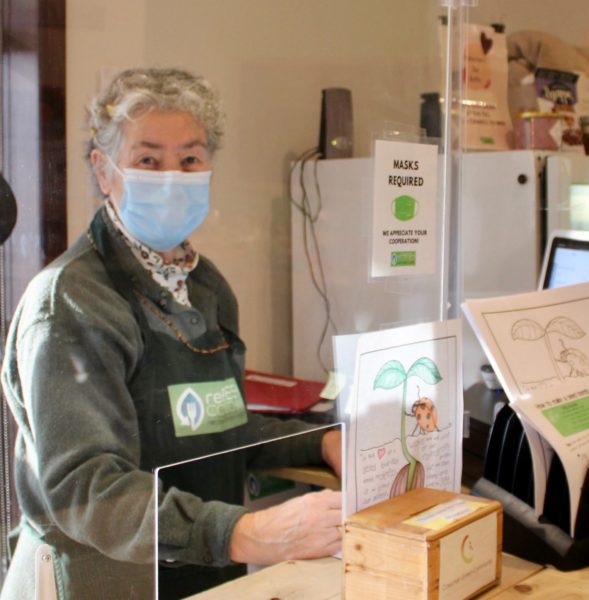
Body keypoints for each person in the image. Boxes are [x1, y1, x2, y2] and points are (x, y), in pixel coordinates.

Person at [1, 67, 343, 599]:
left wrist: (318, 439)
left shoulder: (205, 287)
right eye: (147, 159)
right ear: (103, 169)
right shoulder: (72, 302)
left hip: (202, 577)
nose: (171, 176)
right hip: (101, 583)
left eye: (189, 158)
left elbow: (215, 429)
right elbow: (87, 490)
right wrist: (246, 531)